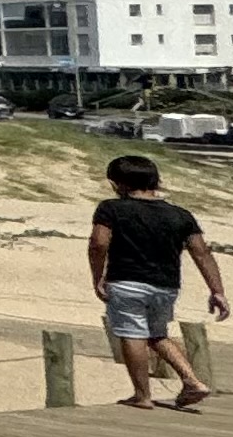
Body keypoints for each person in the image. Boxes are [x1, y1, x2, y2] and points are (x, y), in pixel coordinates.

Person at [90, 154, 222, 409]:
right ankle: (193, 380)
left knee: (132, 334)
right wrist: (217, 291)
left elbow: (99, 243)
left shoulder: (111, 208)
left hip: (127, 281)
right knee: (157, 333)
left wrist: (97, 277)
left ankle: (142, 395)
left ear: (119, 184)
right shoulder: (180, 214)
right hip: (166, 285)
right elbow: (201, 252)